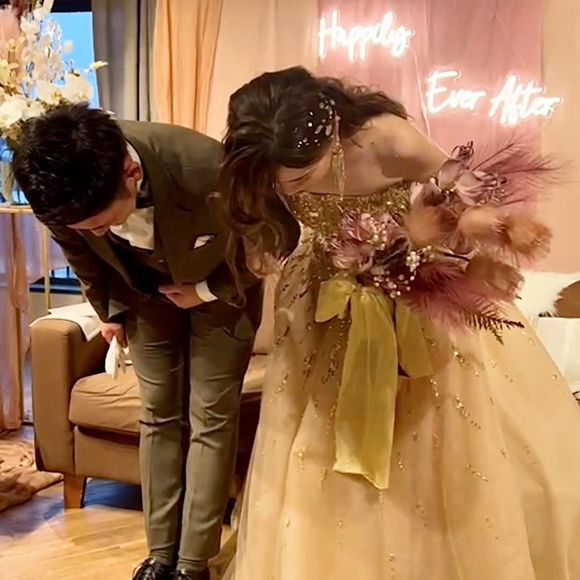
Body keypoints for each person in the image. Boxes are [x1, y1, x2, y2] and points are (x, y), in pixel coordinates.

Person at [214, 66, 580, 580]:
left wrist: (436, 247)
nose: (288, 188)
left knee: (428, 439)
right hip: (323, 306)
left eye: (299, 177)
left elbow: (463, 199)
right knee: (319, 447)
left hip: (416, 303)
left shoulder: (388, 139)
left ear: (332, 133)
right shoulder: (271, 159)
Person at [11, 104, 299, 580]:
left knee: (209, 417)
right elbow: (82, 254)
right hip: (139, 294)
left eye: (101, 222)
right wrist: (108, 312)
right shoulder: (62, 193)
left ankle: (193, 562)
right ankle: (160, 554)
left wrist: (204, 290)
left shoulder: (209, 166)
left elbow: (279, 235)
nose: (96, 233)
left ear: (130, 172)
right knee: (158, 413)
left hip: (221, 290)